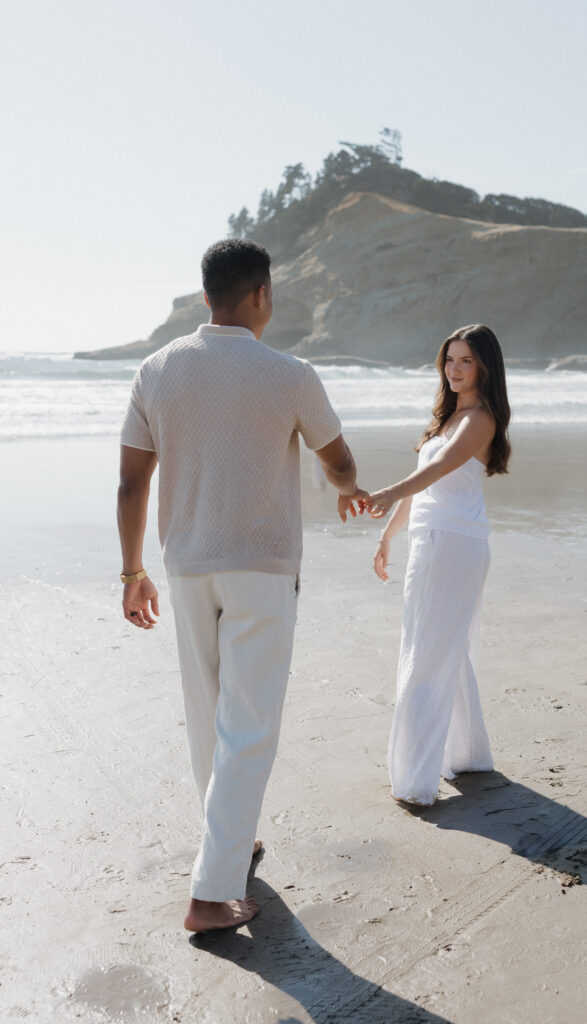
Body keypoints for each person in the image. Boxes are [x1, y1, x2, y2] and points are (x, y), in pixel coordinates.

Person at [117, 239, 367, 932]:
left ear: (205, 298)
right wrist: (346, 486)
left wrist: (132, 571)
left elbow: (132, 481)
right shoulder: (289, 372)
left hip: (184, 566)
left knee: (210, 719)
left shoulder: (158, 369)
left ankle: (233, 841)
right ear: (262, 295)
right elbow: (339, 461)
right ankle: (209, 893)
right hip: (261, 567)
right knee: (249, 726)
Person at [367, 324, 511, 807]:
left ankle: (415, 779)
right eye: (449, 360)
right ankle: (468, 755)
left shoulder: (479, 419)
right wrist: (387, 535)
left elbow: (438, 469)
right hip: (433, 541)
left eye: (465, 360)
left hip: (454, 545)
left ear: (484, 367)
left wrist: (389, 491)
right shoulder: (448, 419)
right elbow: (424, 486)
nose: (454, 369)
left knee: (428, 652)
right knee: (441, 646)